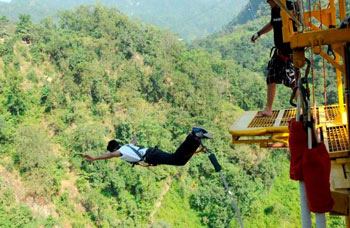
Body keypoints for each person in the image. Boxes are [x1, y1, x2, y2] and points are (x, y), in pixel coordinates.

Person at [251, 0, 298, 117]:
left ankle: (302, 109)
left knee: (293, 82)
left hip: (291, 52)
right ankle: (268, 109)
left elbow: (299, 23)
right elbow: (272, 23)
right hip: (279, 51)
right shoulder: (275, 8)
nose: (268, 3)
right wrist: (259, 33)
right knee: (271, 77)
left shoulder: (289, 6)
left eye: (269, 1)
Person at [83, 127, 213, 166]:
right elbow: (134, 141)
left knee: (177, 160)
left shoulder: (119, 152)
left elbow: (110, 156)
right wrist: (134, 136)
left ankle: (193, 136)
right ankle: (196, 139)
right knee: (179, 160)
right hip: (152, 154)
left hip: (152, 155)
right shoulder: (127, 146)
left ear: (114, 149)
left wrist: (94, 158)